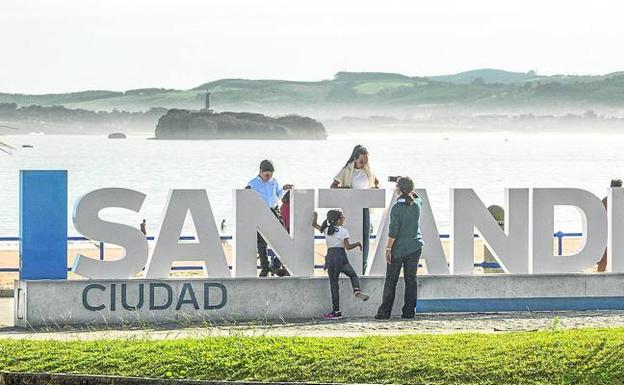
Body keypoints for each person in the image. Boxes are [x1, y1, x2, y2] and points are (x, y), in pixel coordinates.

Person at [375, 177, 423, 320]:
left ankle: (384, 312)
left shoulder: (396, 208)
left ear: (399, 190)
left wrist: (388, 249)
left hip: (398, 249)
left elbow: (393, 232)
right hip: (415, 247)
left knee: (391, 280)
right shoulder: (417, 204)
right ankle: (409, 312)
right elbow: (417, 196)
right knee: (411, 280)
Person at [313, 210, 370, 320]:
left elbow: (314, 224)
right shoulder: (343, 231)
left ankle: (336, 312)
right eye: (342, 217)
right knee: (353, 275)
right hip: (341, 256)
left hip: (331, 257)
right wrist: (358, 243)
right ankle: (356, 289)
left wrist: (315, 216)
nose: (343, 219)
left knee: (334, 284)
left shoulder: (326, 230)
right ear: (338, 220)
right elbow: (347, 247)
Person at [331, 145, 379, 271]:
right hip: (351, 208)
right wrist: (347, 190)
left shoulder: (368, 170)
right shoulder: (347, 170)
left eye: (366, 161)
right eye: (361, 161)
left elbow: (376, 182)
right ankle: (349, 265)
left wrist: (374, 189)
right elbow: (333, 186)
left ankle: (363, 265)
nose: (364, 164)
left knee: (365, 237)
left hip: (365, 208)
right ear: (355, 159)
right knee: (350, 236)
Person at [246, 159, 293, 277]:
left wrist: (284, 189)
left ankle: (275, 265)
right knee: (261, 242)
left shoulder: (274, 182)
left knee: (283, 238)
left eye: (270, 175)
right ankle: (265, 267)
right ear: (260, 172)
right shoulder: (253, 183)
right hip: (260, 212)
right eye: (266, 175)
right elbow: (247, 197)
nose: (268, 177)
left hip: (274, 211)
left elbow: (278, 195)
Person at [597, 178, 623, 272]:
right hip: (612, 232)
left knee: (605, 256)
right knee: (605, 256)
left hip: (608, 232)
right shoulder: (607, 200)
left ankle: (601, 274)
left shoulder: (604, 200)